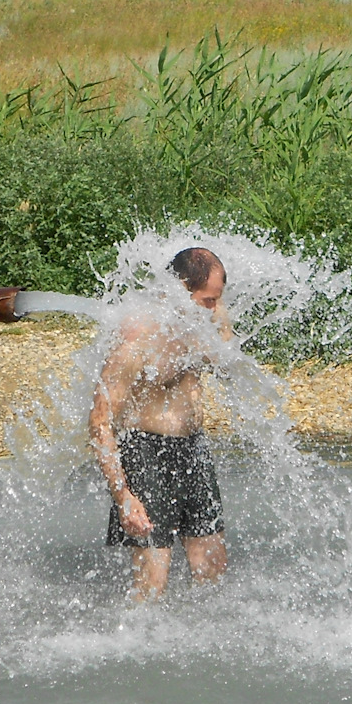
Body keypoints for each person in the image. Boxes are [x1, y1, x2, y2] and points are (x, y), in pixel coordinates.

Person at [89, 247, 232, 601]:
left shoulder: (204, 321)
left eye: (217, 300)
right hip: (145, 450)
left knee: (212, 568)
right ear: (180, 291)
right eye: (207, 300)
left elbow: (229, 366)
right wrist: (123, 496)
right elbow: (99, 421)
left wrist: (219, 324)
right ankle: (135, 642)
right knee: (153, 580)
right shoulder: (139, 335)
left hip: (193, 448)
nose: (212, 308)